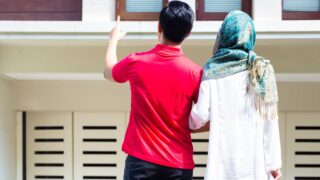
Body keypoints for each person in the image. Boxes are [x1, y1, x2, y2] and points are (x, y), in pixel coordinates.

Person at [104, 1, 202, 179]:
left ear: (159, 26)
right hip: (178, 167)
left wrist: (113, 40)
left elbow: (109, 71)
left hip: (141, 164)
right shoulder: (196, 73)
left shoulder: (136, 62)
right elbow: (206, 119)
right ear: (188, 33)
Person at [189, 11, 282, 180]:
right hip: (255, 167)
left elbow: (200, 115)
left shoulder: (212, 69)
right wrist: (273, 164)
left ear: (224, 35)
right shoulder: (262, 69)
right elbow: (270, 120)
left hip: (221, 168)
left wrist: (184, 122)